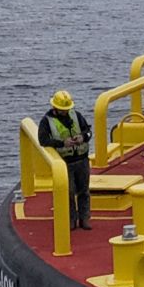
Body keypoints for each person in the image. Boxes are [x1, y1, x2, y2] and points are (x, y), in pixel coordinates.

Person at [39, 90, 94, 230]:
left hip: (82, 160)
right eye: (63, 109)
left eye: (67, 109)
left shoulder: (76, 115)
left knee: (84, 191)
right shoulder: (47, 121)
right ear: (55, 108)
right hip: (65, 163)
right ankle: (71, 220)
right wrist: (63, 143)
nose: (65, 112)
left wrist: (83, 137)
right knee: (68, 193)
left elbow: (87, 131)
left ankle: (84, 218)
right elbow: (43, 140)